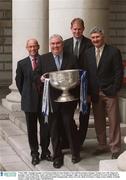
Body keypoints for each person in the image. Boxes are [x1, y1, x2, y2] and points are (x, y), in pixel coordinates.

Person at [82, 26, 123, 159]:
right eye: (93, 37)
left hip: (110, 92)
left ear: (103, 37)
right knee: (99, 120)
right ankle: (101, 145)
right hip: (94, 93)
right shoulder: (87, 53)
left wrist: (114, 89)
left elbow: (119, 73)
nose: (95, 39)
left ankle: (115, 147)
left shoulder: (113, 51)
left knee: (114, 120)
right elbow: (86, 74)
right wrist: (87, 93)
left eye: (97, 37)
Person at [40, 34, 80, 168]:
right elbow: (36, 75)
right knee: (54, 128)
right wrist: (40, 79)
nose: (55, 46)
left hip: (68, 99)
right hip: (51, 99)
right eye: (53, 44)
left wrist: (75, 98)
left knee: (69, 124)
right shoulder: (43, 59)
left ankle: (75, 152)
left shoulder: (72, 57)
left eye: (58, 43)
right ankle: (57, 156)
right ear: (50, 45)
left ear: (62, 44)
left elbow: (77, 77)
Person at [15, 39, 52, 166]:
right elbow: (19, 83)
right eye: (30, 46)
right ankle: (34, 153)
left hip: (44, 101)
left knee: (45, 128)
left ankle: (45, 151)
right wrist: (26, 95)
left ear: (38, 47)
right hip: (29, 102)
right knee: (31, 129)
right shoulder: (21, 64)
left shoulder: (45, 60)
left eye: (35, 46)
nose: (33, 49)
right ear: (27, 47)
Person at [64, 18, 93, 146]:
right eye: (75, 29)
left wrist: (90, 91)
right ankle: (72, 137)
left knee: (84, 115)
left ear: (83, 29)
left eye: (79, 29)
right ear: (71, 29)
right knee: (68, 115)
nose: (77, 31)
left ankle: (80, 141)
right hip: (69, 86)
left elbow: (93, 68)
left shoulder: (90, 44)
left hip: (85, 86)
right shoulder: (64, 44)